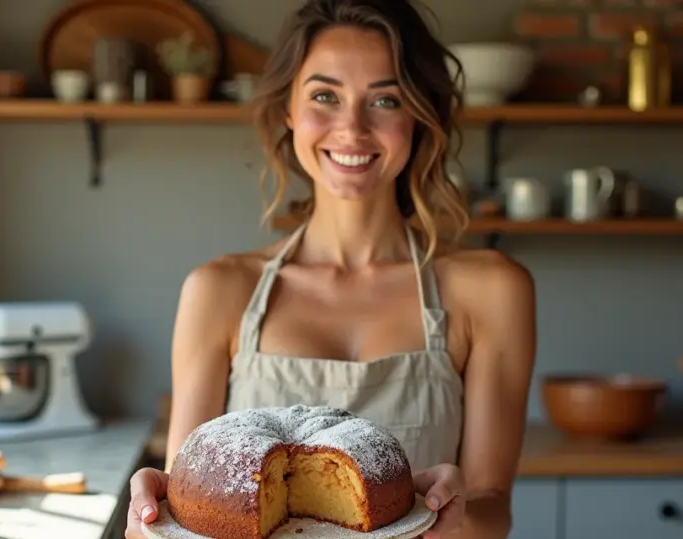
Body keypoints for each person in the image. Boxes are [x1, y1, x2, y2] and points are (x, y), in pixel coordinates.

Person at [125, 0, 536, 537]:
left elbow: (493, 509)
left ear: (418, 115)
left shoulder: (490, 290)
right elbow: (192, 500)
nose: (352, 127)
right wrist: (155, 521)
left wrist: (454, 519)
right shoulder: (219, 291)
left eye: (385, 99)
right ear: (289, 111)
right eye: (324, 95)